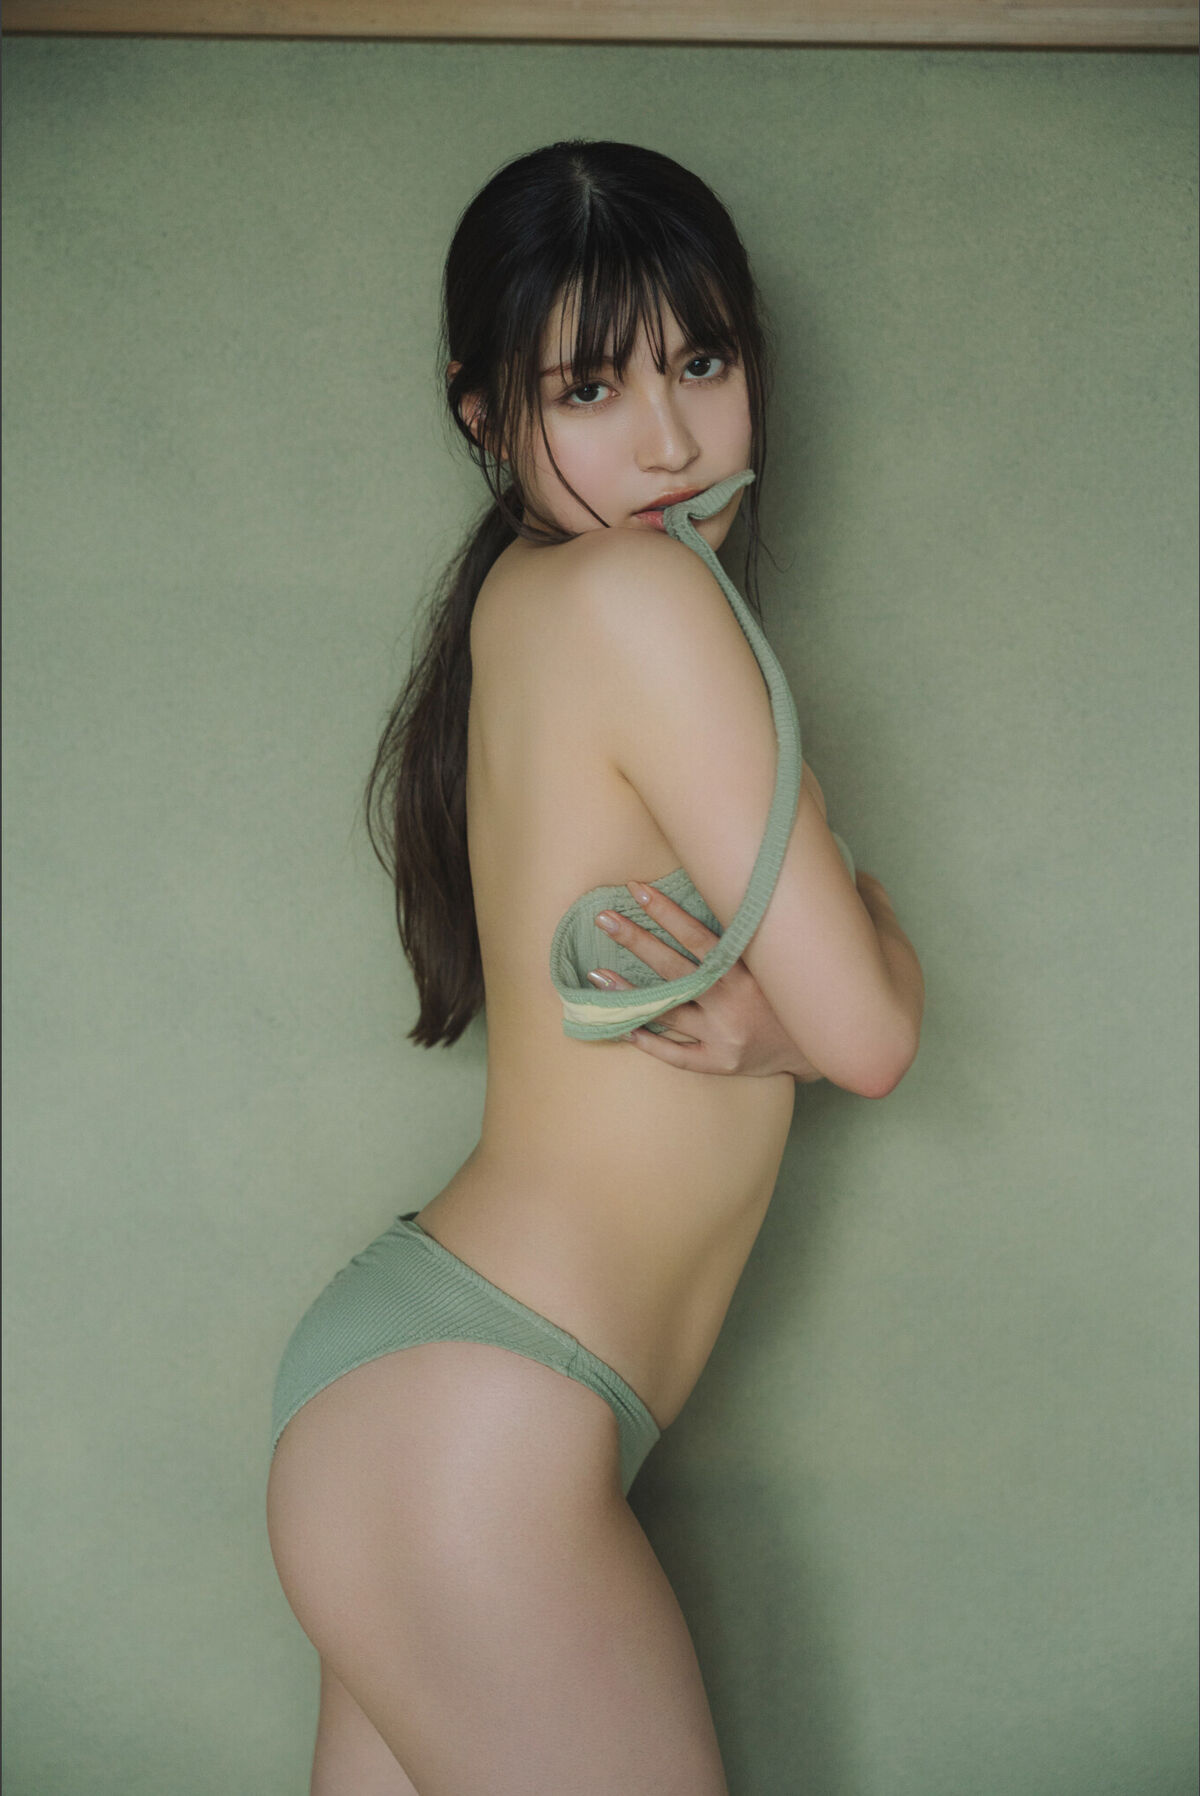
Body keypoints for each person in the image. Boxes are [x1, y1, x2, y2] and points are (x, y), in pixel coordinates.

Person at [266, 138, 924, 1796]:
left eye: (702, 363)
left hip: (434, 1398)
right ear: (483, 417)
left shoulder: (526, 603)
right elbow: (872, 1034)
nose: (670, 439)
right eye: (589, 388)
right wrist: (831, 979)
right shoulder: (640, 595)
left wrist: (796, 1004)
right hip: (479, 1425)